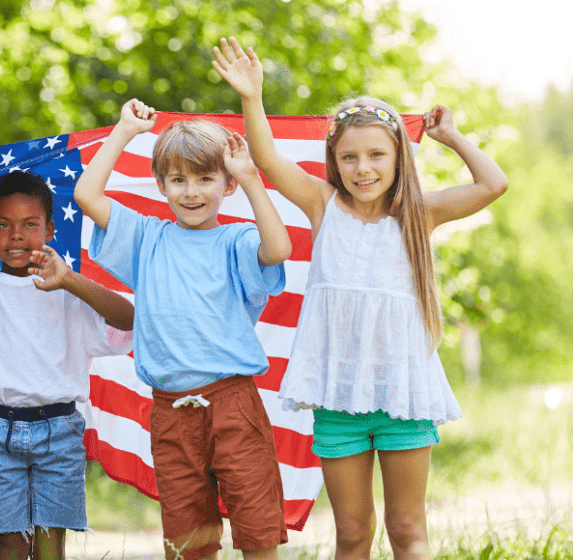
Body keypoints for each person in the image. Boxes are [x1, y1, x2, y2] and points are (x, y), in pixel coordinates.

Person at [212, 37, 509, 560]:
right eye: (349, 157)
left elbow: (492, 183)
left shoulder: (418, 214)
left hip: (403, 396)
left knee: (407, 529)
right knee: (351, 533)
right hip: (338, 398)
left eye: (376, 155)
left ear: (399, 157)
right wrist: (252, 97)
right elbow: (266, 157)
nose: (363, 168)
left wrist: (452, 136)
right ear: (334, 162)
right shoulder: (323, 204)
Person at [74, 99, 293, 560]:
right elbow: (87, 197)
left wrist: (253, 177)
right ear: (162, 185)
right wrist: (124, 131)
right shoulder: (147, 237)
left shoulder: (237, 240)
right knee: (187, 538)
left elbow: (278, 249)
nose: (191, 191)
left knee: (257, 530)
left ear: (226, 183)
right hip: (171, 412)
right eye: (178, 180)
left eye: (205, 178)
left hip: (232, 403)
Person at [0, 167, 134, 560]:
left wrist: (70, 280)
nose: (17, 235)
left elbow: (128, 318)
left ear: (51, 230)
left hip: (59, 430)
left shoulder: (70, 293)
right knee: (8, 542)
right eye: (4, 225)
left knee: (49, 544)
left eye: (29, 224)